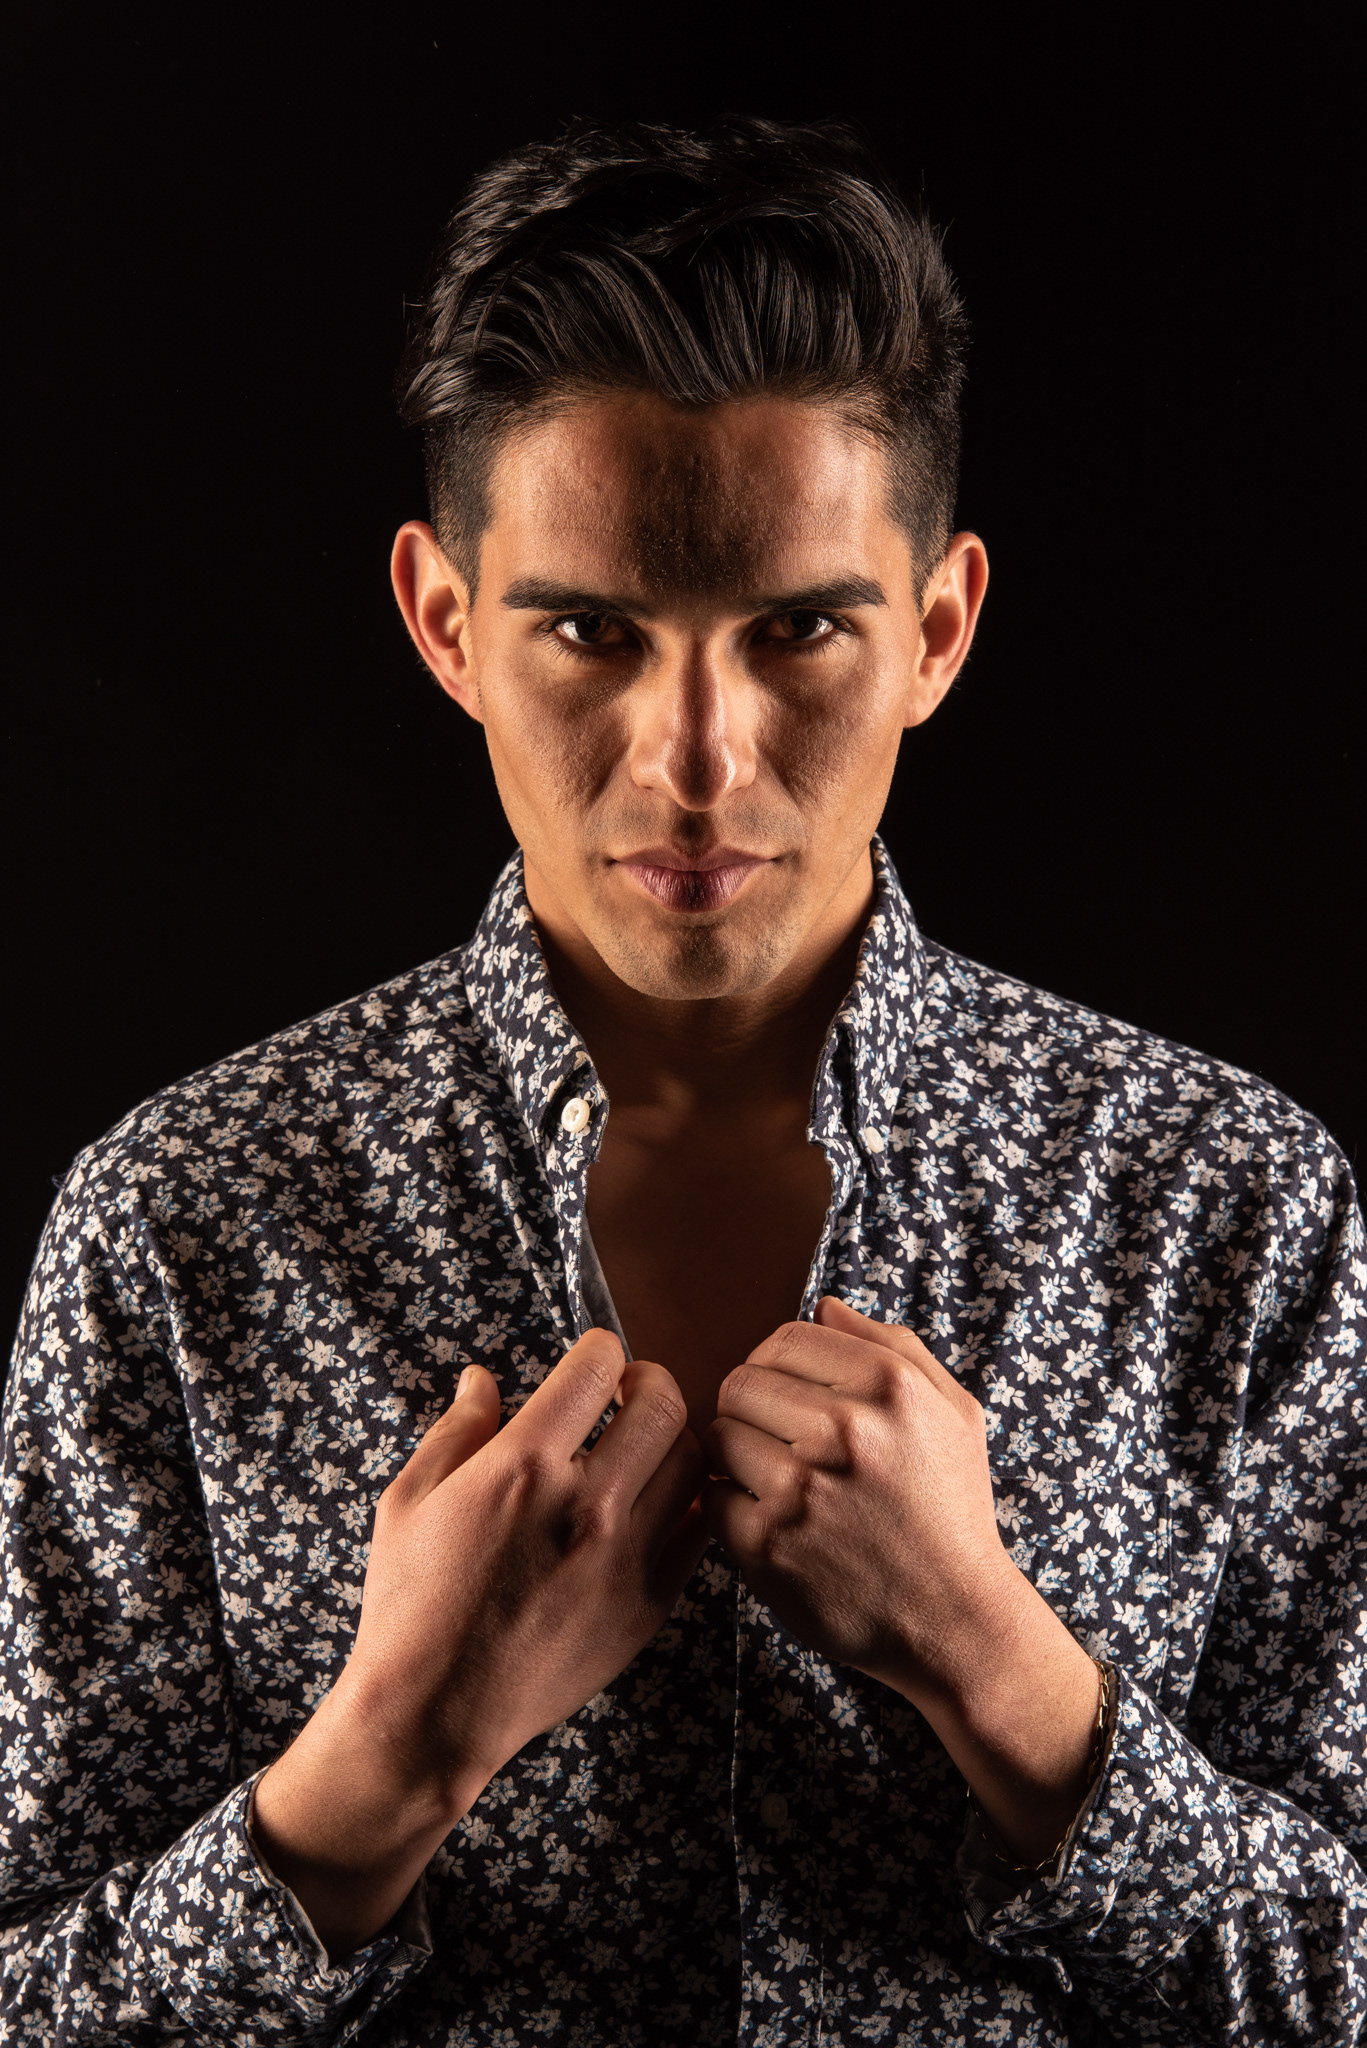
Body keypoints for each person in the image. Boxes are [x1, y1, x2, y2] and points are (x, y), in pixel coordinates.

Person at [1, 116, 1363, 2048]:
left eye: (799, 629)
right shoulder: (181, 1227)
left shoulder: (1230, 1207)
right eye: (590, 631)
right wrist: (385, 1764)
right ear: (447, 625)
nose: (696, 760)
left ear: (938, 631)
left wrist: (1005, 1674)